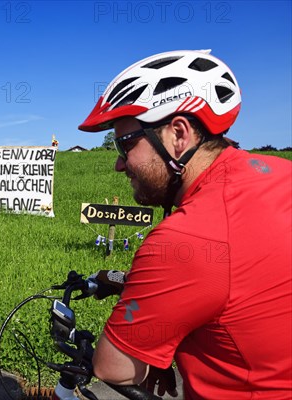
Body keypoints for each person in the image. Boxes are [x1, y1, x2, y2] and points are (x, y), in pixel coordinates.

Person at [79, 50, 292, 399]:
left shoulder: (185, 238)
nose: (119, 164)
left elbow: (114, 367)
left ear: (178, 135)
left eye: (125, 144)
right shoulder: (280, 173)